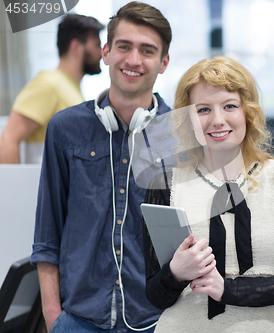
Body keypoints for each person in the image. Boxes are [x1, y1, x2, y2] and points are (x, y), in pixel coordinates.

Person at [142, 56, 274, 332]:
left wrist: (227, 290)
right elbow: (155, 296)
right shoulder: (165, 183)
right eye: (203, 110)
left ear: (247, 112)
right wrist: (175, 273)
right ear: (188, 118)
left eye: (229, 106)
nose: (217, 120)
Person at [30, 2, 172, 332]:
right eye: (124, 46)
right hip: (77, 320)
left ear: (163, 62)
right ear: (106, 52)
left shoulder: (179, 132)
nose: (134, 60)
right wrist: (54, 319)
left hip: (157, 321)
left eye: (147, 50)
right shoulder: (65, 128)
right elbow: (47, 233)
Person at [0, 14, 104, 164]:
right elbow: (8, 140)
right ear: (75, 47)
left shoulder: (70, 88)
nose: (101, 52)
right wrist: (14, 187)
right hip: (41, 186)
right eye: (96, 45)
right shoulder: (48, 85)